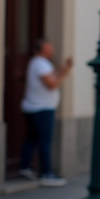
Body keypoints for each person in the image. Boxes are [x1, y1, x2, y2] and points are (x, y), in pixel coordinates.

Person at [20, 38, 73, 187]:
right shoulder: (39, 63)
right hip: (41, 108)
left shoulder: (39, 63)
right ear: (42, 49)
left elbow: (51, 76)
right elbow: (52, 83)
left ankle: (26, 167)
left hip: (35, 107)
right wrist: (64, 74)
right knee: (45, 140)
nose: (52, 50)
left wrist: (62, 69)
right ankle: (46, 173)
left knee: (32, 137)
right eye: (49, 48)